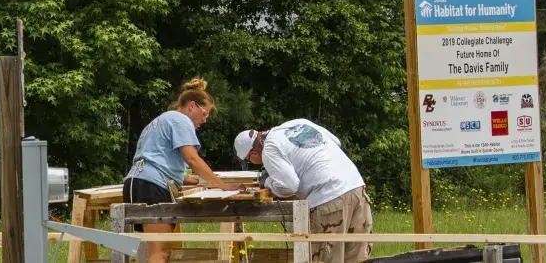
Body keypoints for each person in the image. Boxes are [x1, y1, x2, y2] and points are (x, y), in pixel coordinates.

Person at [233, 120, 372, 263]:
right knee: (358, 258)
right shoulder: (297, 123)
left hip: (328, 198)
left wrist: (268, 182)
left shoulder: (269, 149)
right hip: (356, 187)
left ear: (254, 153)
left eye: (250, 161)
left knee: (323, 259)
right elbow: (336, 142)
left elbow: (289, 186)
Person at [125, 78, 229, 263]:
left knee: (157, 251)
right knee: (161, 253)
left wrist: (194, 180)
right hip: (151, 186)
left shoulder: (162, 120)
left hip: (139, 182)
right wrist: (221, 185)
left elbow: (161, 162)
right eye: (204, 113)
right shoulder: (181, 120)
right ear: (192, 106)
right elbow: (192, 158)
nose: (204, 120)